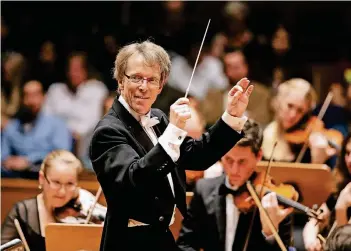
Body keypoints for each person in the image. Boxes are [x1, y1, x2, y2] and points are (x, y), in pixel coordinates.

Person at [89, 40, 254, 251]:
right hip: (128, 243)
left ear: (161, 84)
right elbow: (135, 179)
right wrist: (174, 131)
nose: (143, 87)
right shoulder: (109, 131)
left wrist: (231, 116)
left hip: (161, 237)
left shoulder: (158, 119)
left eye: (151, 80)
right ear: (120, 80)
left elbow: (198, 156)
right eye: (136, 78)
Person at [176, 119, 293, 251]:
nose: (234, 170)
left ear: (258, 156)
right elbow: (185, 244)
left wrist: (269, 232)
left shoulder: (274, 203)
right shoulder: (204, 189)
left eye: (242, 161)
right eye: (228, 160)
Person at [1, 150, 106, 251]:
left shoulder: (82, 208)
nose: (62, 192)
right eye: (56, 182)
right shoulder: (22, 212)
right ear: (42, 178)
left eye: (70, 184)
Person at [1, 80, 72, 179]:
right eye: (27, 95)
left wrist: (29, 160)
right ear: (21, 99)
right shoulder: (12, 126)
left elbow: (63, 154)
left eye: (35, 95)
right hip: (15, 178)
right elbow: (2, 155)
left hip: (47, 177)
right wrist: (8, 161)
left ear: (44, 97)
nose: (31, 100)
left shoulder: (57, 124)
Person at [303, 133, 351, 251]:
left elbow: (344, 245)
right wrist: (311, 241)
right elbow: (314, 222)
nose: (349, 160)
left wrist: (341, 209)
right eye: (348, 153)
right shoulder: (342, 187)